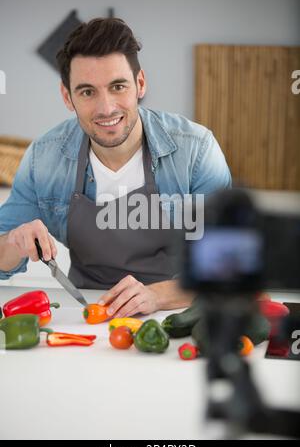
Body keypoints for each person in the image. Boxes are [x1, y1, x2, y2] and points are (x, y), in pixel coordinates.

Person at [0, 18, 231, 317]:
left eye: (118, 86)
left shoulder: (196, 150)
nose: (106, 108)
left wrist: (157, 296)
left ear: (140, 84)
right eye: (87, 92)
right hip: (87, 316)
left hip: (178, 315)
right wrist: (15, 242)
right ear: (67, 97)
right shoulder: (44, 159)